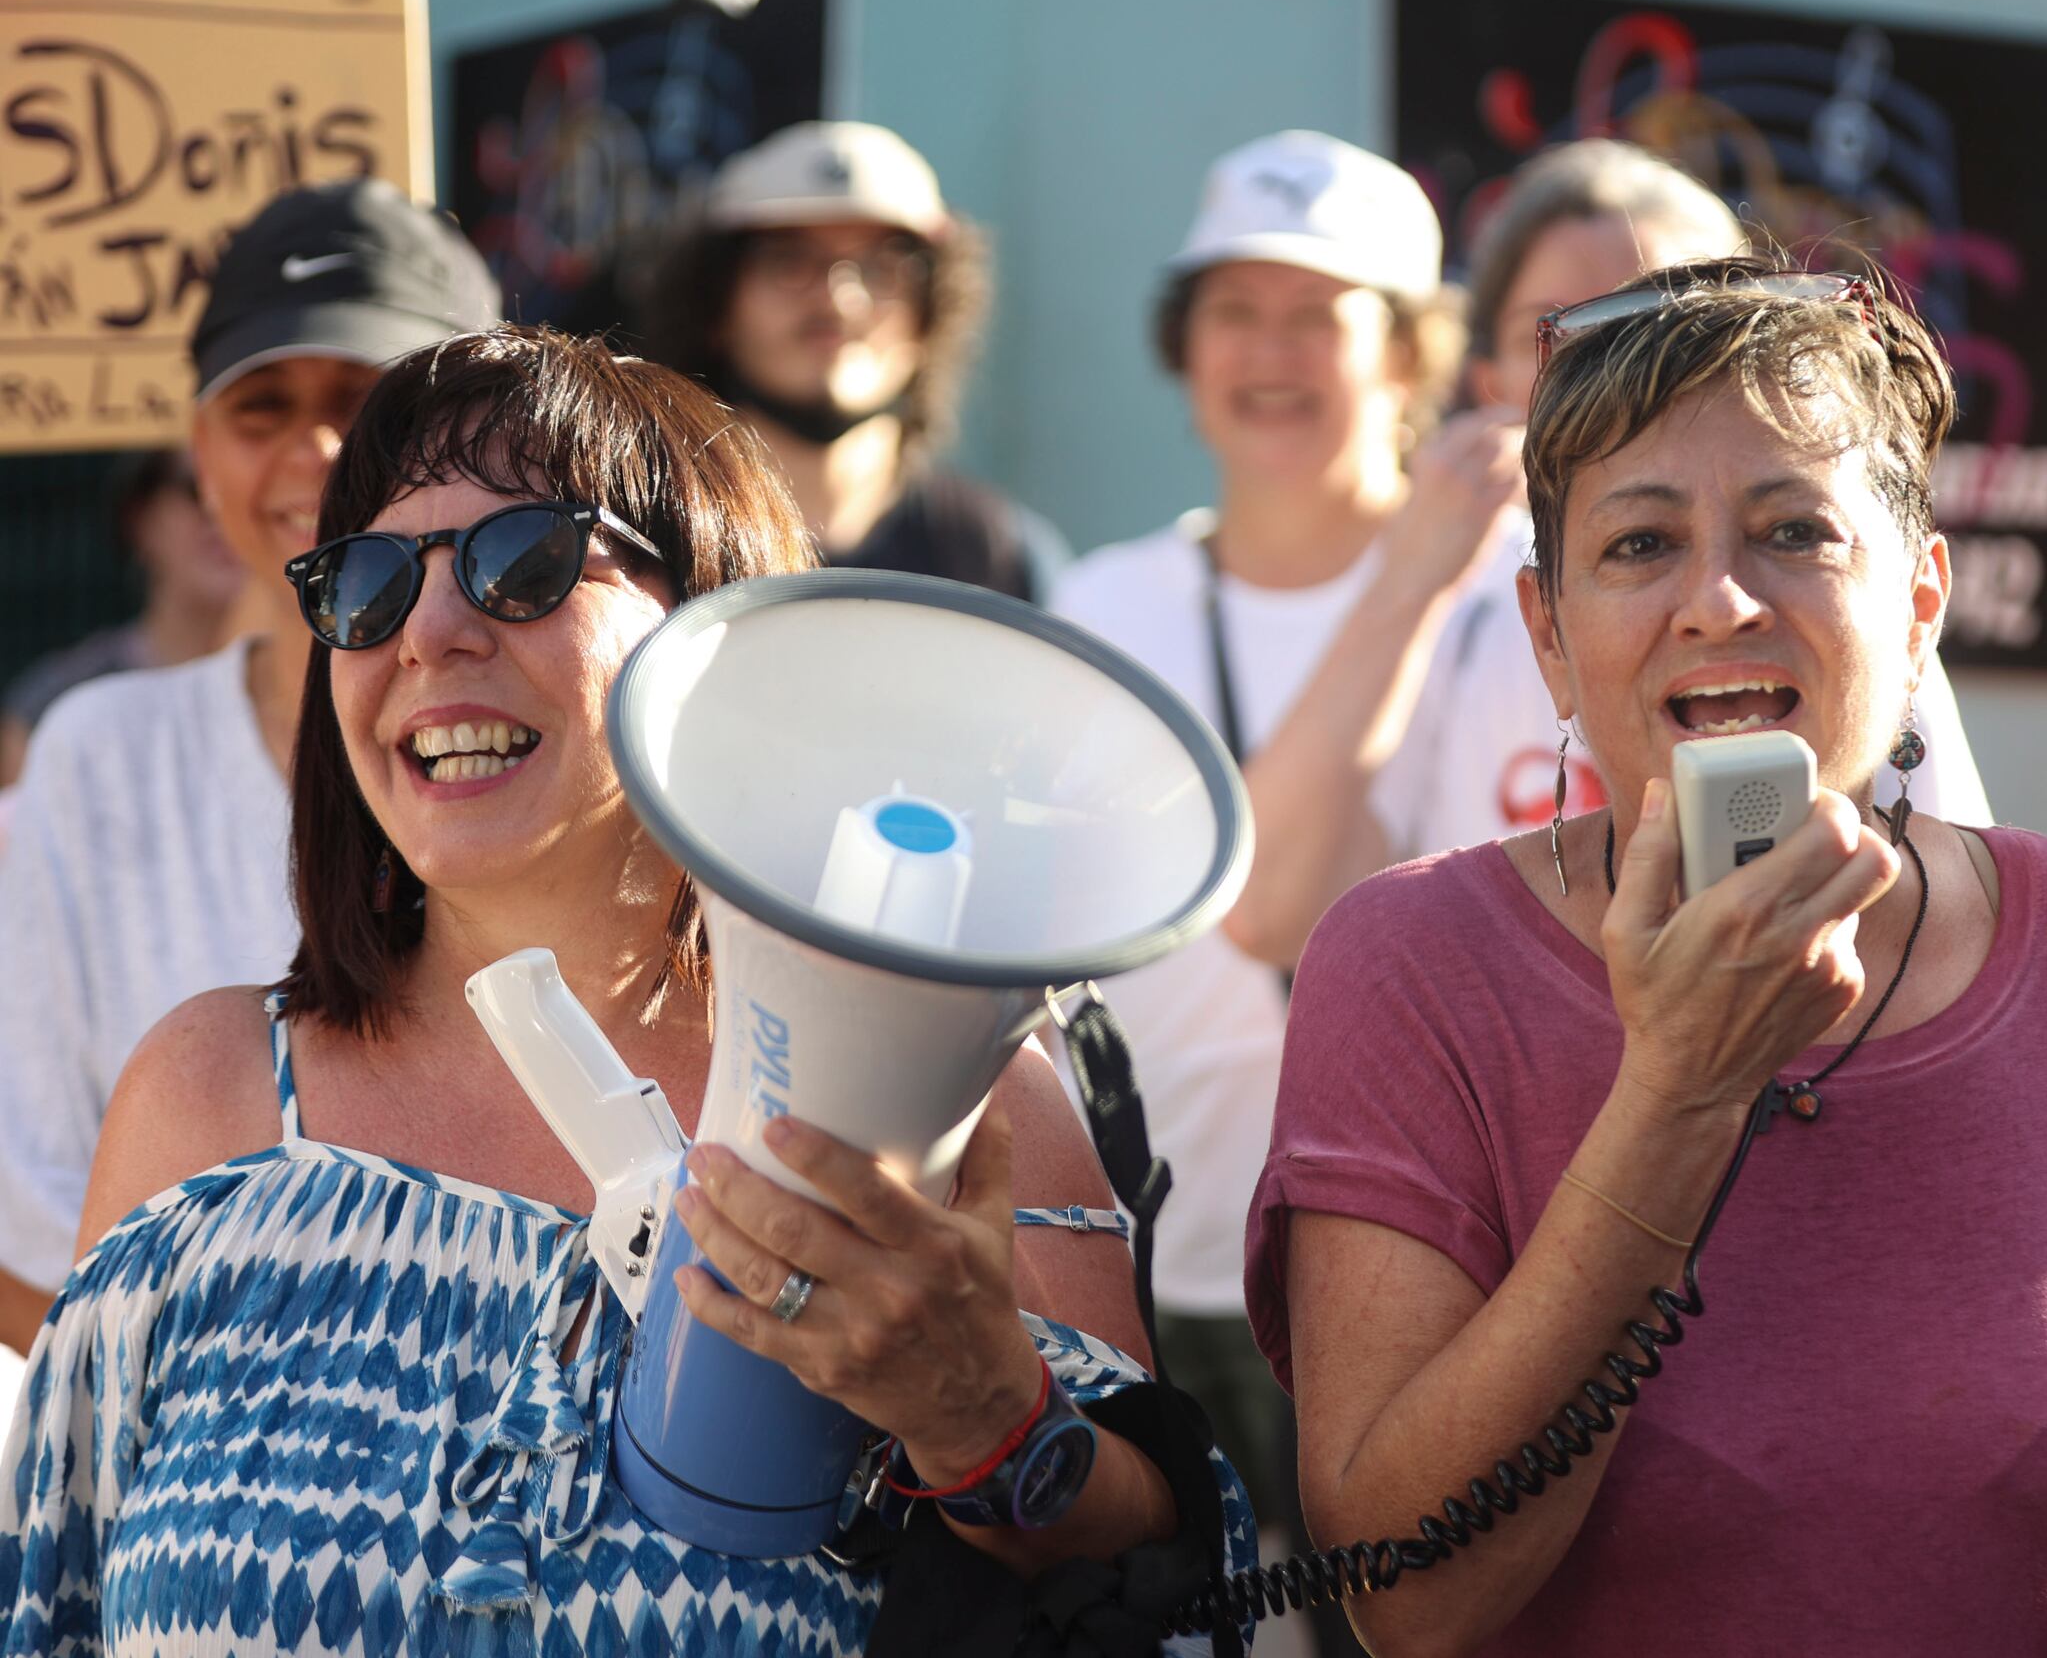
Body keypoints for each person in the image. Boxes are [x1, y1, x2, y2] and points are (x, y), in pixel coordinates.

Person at [0, 326, 1249, 1657]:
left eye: (523, 560)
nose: (427, 632)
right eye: (362, 583)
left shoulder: (945, 1098)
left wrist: (987, 1418)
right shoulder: (207, 1096)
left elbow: (1159, 1587)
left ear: (714, 624)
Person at [1245, 257, 2047, 1656]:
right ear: (1550, 636)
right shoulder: (1412, 966)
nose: (1718, 599)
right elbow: (1410, 1594)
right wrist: (1681, 1089)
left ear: (1923, 602)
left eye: (1795, 529)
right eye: (1639, 545)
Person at [1045, 130, 1519, 1629]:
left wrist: (1416, 572)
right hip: (1159, 1246)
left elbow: (1299, 897)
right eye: (1234, 310)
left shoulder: (1524, 581)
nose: (1269, 352)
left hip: (1415, 1262)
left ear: (1410, 351)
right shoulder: (1104, 601)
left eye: (1320, 312)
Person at [0, 178, 502, 1356]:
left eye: (364, 401)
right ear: (197, 448)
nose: (315, 452)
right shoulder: (102, 757)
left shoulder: (571, 748)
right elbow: (29, 1216)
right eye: (260, 406)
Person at [1444, 136, 1989, 833]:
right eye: (1640, 545)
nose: (1626, 374)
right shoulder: (1434, 611)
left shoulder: (1857, 616)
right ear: (1545, 625)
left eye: (1680, 322)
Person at [638, 120, 1067, 600]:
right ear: (716, 307)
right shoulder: (639, 540)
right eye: (789, 261)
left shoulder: (1002, 558)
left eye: (884, 268)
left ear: (931, 315)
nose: (839, 300)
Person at [0, 449, 241, 788]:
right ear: (140, 518)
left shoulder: (313, 694)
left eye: (243, 494)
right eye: (197, 490)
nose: (223, 515)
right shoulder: (51, 702)